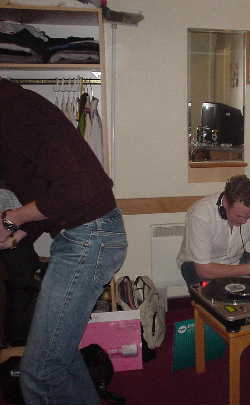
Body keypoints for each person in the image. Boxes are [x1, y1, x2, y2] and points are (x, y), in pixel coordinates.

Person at [0, 78, 128, 404]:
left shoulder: (16, 111)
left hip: (89, 237)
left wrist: (13, 219)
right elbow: (50, 196)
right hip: (86, 235)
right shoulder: (18, 109)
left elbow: (78, 190)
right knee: (60, 355)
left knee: (39, 371)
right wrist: (19, 233)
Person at [177, 175, 250, 285]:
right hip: (198, 266)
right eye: (239, 216)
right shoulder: (201, 215)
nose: (244, 221)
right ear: (225, 204)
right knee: (221, 294)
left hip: (236, 260)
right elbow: (204, 271)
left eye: (249, 216)